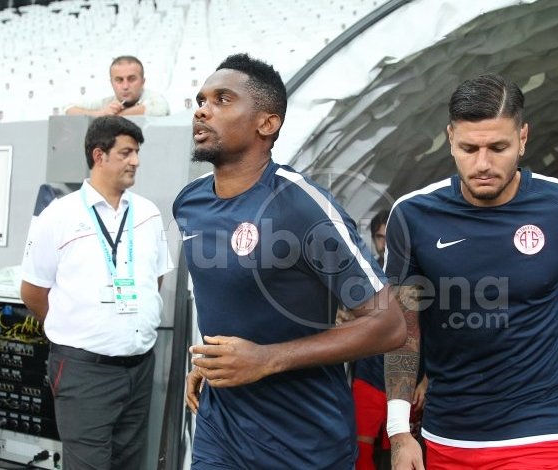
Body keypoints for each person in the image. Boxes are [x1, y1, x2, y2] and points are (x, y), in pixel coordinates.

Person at [173, 53, 406, 469]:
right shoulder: (190, 203)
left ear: (267, 123)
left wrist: (266, 359)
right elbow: (232, 302)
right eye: (201, 100)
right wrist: (215, 363)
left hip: (304, 444)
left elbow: (389, 325)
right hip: (219, 435)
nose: (202, 110)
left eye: (223, 99)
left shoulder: (302, 206)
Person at [383, 73, 558, 469]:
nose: (482, 164)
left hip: (543, 430)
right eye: (469, 148)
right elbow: (403, 329)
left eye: (498, 147)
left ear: (523, 138)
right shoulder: (413, 215)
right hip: (449, 430)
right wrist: (399, 431)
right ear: (450, 138)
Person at [20, 115, 173, 469]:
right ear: (99, 155)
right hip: (84, 371)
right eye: (126, 153)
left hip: (138, 368)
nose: (136, 161)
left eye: (137, 152)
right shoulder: (59, 215)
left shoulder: (148, 214)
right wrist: (74, 327)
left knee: (129, 463)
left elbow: (154, 280)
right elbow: (33, 291)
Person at [351, 210, 428, 470]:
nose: (385, 243)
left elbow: (432, 330)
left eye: (390, 236)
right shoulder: (361, 274)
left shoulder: (422, 276)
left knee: (401, 451)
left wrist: (426, 380)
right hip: (369, 374)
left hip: (410, 378)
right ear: (373, 239)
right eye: (380, 237)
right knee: (361, 448)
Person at [65, 55, 169, 117]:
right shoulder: (107, 103)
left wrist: (114, 116)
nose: (125, 86)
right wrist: (101, 114)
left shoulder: (153, 98)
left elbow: (159, 109)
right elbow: (68, 109)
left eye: (132, 79)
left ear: (143, 82)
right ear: (111, 83)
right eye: (119, 80)